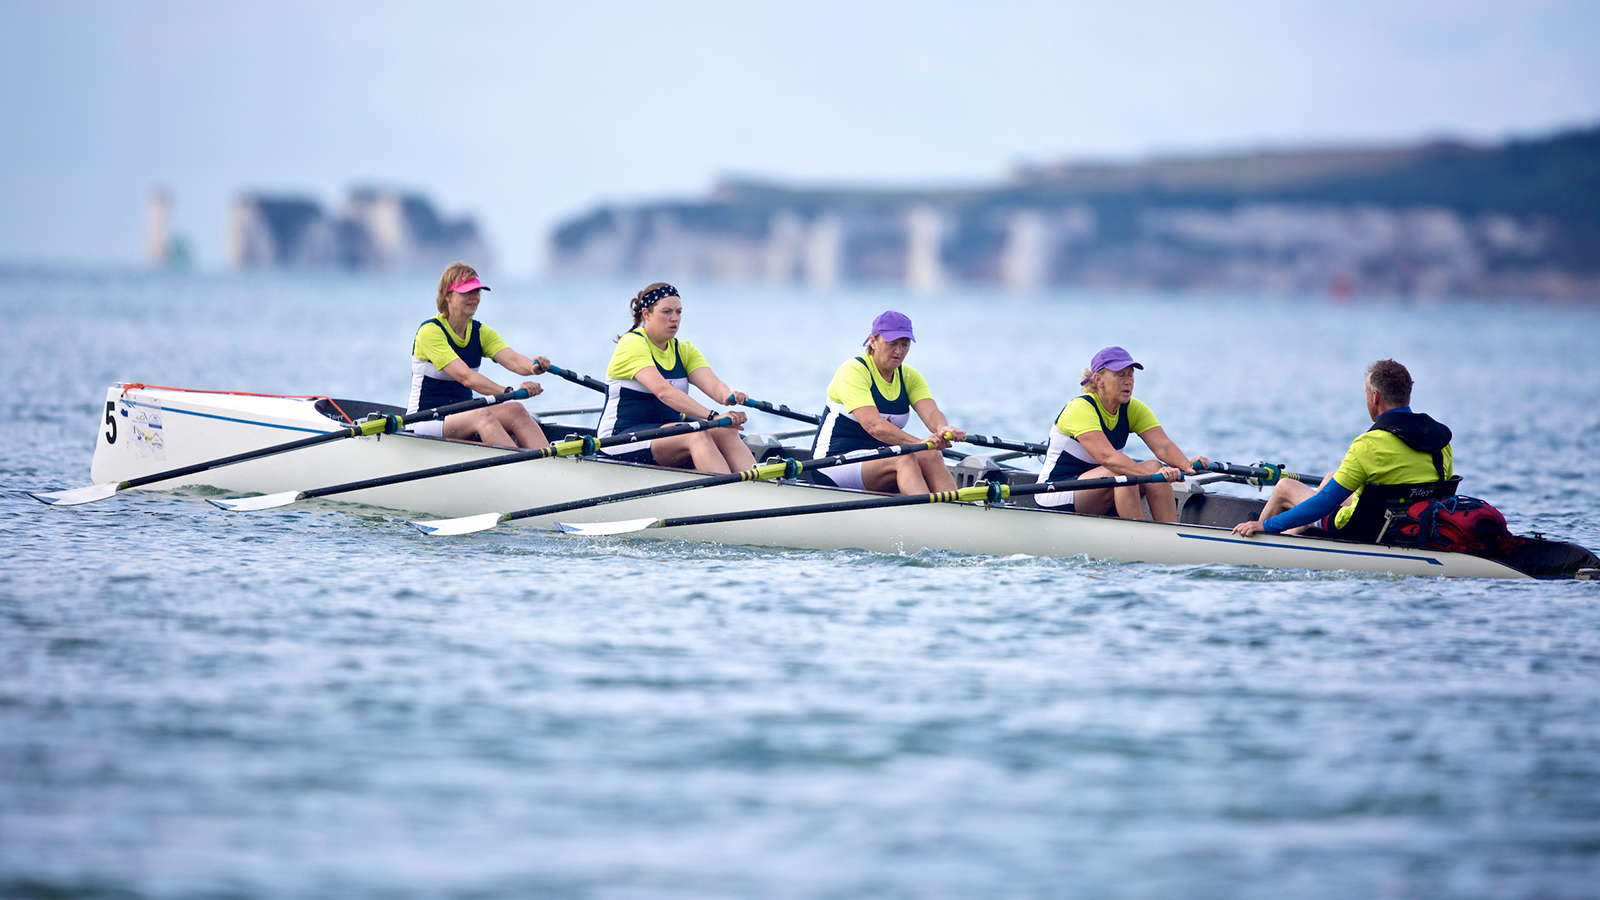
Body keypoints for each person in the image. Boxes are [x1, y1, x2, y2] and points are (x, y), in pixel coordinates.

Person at [1232, 358, 1452, 539]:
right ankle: (1294, 535)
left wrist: (1267, 526)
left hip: (1363, 530)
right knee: (1331, 479)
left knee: (1284, 487)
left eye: (1366, 393)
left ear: (1375, 397)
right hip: (1413, 526)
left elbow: (1323, 505)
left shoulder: (1369, 445)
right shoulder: (1441, 442)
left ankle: (1259, 538)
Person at [596, 283, 755, 473]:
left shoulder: (684, 350)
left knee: (726, 431)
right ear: (646, 314)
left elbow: (714, 385)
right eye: (666, 312)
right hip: (619, 439)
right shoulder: (631, 344)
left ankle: (761, 489)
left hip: (664, 436)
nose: (675, 318)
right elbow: (664, 392)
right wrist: (714, 417)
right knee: (696, 433)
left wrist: (729, 396)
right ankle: (729, 494)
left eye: (679, 312)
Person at [1035, 346, 1208, 520]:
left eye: (1130, 374)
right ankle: (1139, 537)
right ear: (1098, 380)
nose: (1128, 381)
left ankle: (1171, 535)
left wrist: (1186, 465)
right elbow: (1108, 458)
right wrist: (1150, 477)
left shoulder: (1133, 408)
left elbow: (1163, 445)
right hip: (1055, 493)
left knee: (1155, 466)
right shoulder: (1080, 408)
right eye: (1120, 375)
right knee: (1126, 473)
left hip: (1097, 488)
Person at [811, 310, 966, 494]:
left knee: (931, 454)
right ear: (873, 342)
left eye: (905, 344)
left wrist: (942, 428)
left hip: (877, 460)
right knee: (905, 458)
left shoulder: (909, 376)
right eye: (892, 344)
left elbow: (931, 412)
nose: (899, 351)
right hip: (833, 463)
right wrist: (919, 443)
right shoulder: (853, 372)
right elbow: (874, 426)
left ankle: (954, 510)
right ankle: (927, 516)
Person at [408, 262, 550, 449]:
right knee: (482, 415)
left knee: (516, 410)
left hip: (463, 415)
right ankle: (520, 469)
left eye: (477, 292)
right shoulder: (430, 332)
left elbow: (514, 360)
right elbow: (466, 377)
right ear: (447, 294)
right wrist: (507, 392)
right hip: (426, 420)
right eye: (467, 292)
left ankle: (549, 465)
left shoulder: (481, 332)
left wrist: (533, 366)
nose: (474, 297)